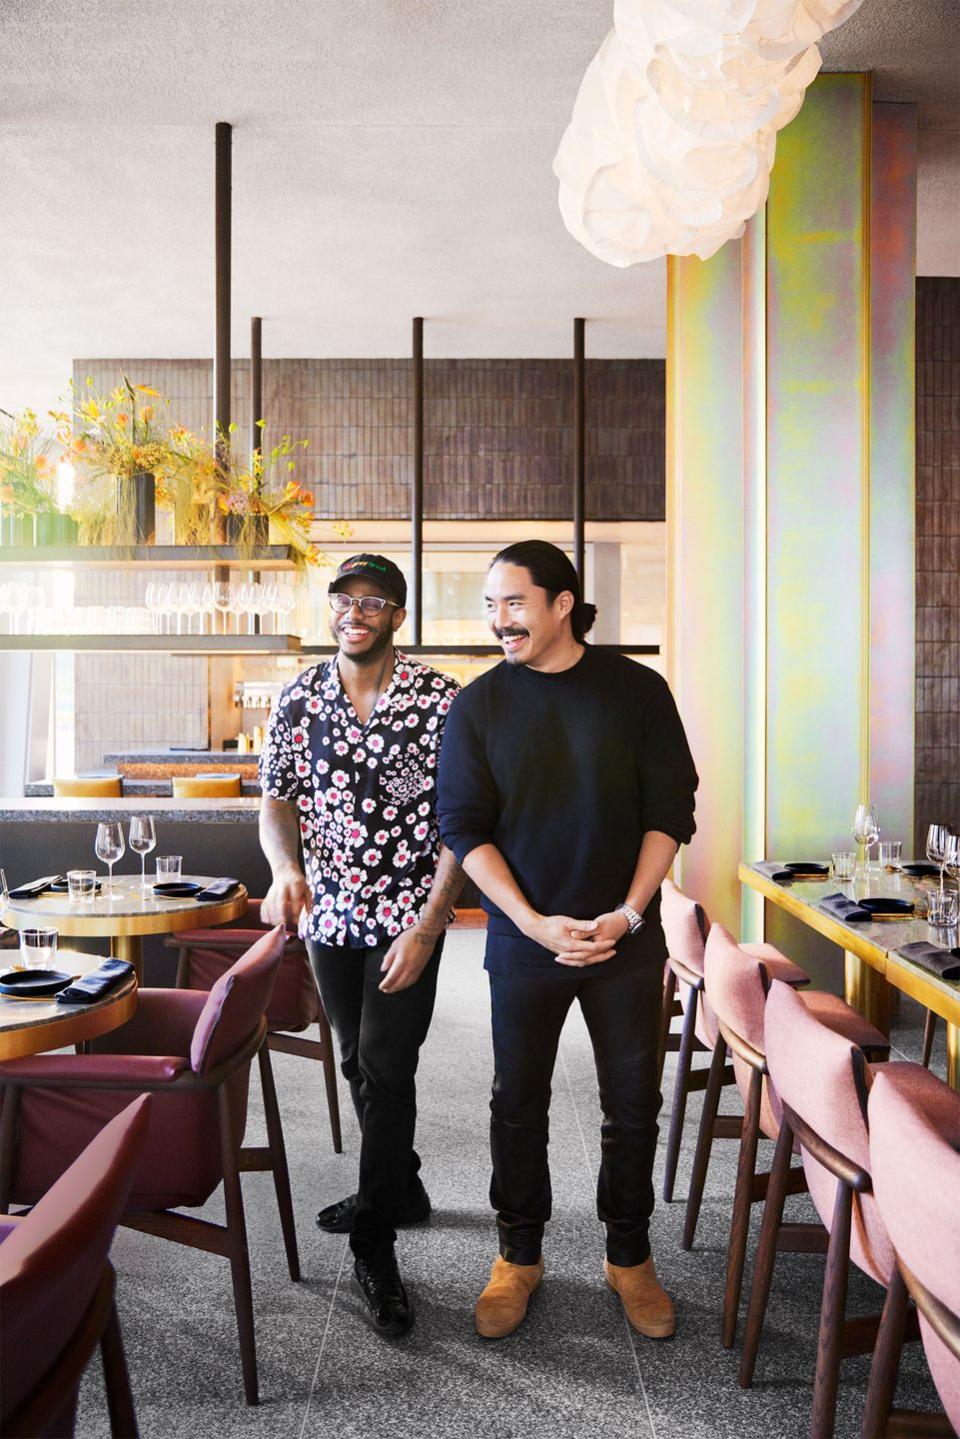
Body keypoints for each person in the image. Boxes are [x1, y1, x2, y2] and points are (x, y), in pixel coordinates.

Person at [436, 539, 697, 1341]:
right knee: (517, 1103)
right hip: (524, 939)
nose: (498, 620)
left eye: (514, 602)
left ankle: (630, 1257)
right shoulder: (478, 706)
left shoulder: (637, 691)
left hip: (625, 939)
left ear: (561, 603)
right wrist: (528, 920)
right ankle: (518, 1256)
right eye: (490, 605)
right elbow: (464, 828)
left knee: (633, 1107)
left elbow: (671, 813)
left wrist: (628, 912)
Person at [259, 553, 463, 1338]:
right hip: (331, 915)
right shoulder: (301, 698)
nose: (353, 611)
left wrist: (431, 921)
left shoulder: (440, 701)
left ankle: (375, 1242)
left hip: (410, 913)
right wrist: (285, 870)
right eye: (343, 599)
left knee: (386, 1060)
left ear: (397, 616)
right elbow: (276, 799)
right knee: (353, 1057)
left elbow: (463, 821)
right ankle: (400, 1186)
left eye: (371, 600)